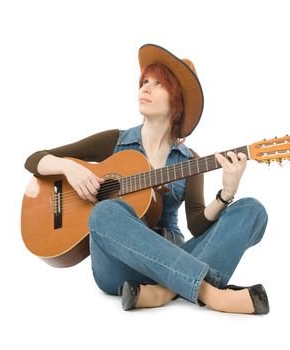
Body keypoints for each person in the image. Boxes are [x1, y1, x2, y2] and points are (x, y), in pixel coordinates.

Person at [24, 43, 269, 315]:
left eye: (158, 84)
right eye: (144, 82)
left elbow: (198, 225)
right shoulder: (116, 141)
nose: (145, 88)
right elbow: (34, 159)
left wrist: (226, 193)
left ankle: (163, 291)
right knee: (105, 211)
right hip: (119, 268)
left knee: (253, 211)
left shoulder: (189, 161)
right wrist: (69, 168)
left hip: (174, 253)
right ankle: (209, 293)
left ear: (177, 103)